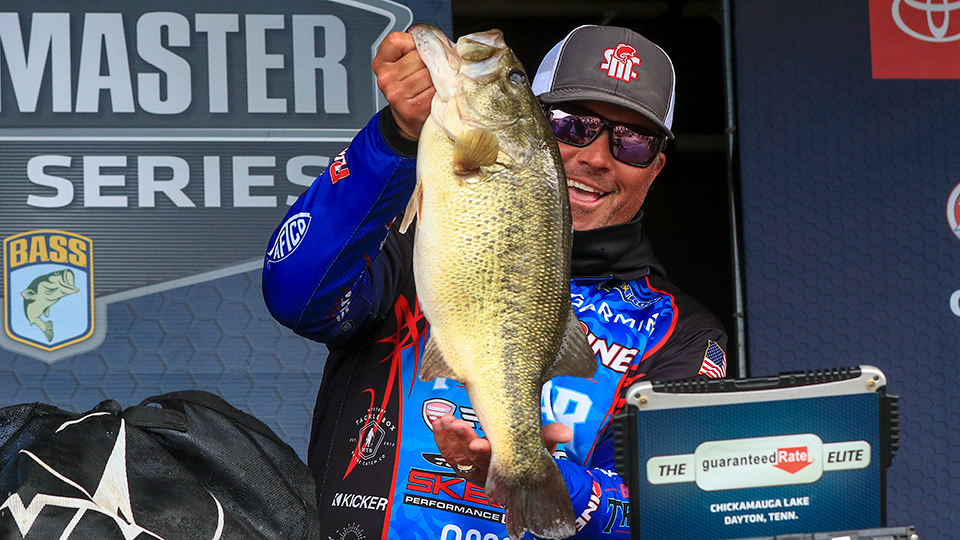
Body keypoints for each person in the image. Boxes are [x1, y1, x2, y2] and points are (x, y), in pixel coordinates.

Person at [262, 24, 728, 540]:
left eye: (632, 142)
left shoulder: (678, 332)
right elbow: (297, 298)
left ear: (655, 169)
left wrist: (543, 478)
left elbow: (670, 509)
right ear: (536, 126)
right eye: (573, 125)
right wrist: (393, 137)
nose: (596, 157)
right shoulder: (415, 239)